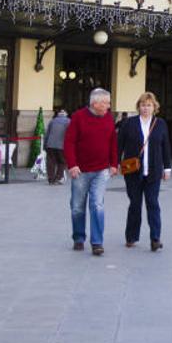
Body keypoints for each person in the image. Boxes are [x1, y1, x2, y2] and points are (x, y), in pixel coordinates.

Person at [63, 88, 119, 256]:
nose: (109, 106)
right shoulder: (78, 117)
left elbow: (112, 142)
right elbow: (69, 142)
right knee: (77, 207)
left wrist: (114, 163)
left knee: (97, 204)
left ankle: (97, 242)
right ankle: (79, 238)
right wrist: (72, 165)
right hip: (80, 170)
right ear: (95, 103)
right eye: (106, 103)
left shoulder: (109, 118)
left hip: (101, 170)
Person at [120, 92, 172, 252]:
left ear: (154, 107)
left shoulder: (160, 123)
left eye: (149, 105)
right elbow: (119, 144)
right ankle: (131, 236)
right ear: (138, 107)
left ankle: (155, 238)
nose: (145, 108)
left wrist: (167, 168)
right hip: (133, 172)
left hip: (154, 171)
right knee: (135, 204)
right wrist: (114, 163)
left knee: (153, 204)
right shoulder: (129, 123)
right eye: (143, 105)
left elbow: (166, 146)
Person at [43, 109, 71, 185]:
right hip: (61, 145)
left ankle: (51, 179)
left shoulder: (52, 121)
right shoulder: (68, 121)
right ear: (66, 115)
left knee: (51, 162)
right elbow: (70, 134)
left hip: (50, 145)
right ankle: (58, 178)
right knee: (62, 162)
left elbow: (47, 134)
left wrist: (45, 145)